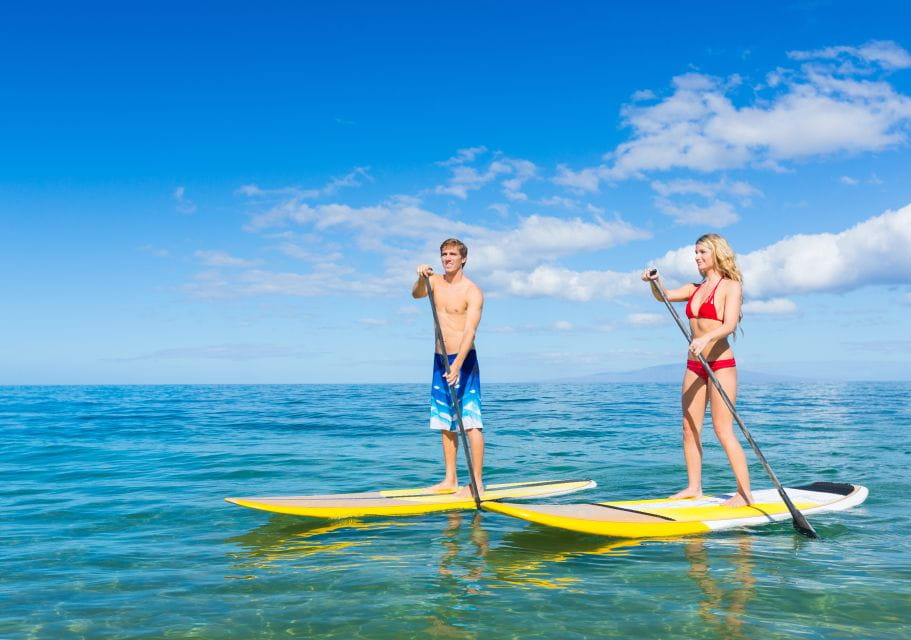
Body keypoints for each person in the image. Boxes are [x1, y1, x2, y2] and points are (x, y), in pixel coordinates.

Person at [643, 233, 753, 507]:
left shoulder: (731, 286)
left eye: (702, 252)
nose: (697, 257)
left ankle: (744, 493)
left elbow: (728, 325)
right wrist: (655, 282)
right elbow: (664, 297)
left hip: (720, 364)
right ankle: (694, 487)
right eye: (695, 253)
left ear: (717, 253)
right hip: (694, 365)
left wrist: (706, 338)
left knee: (722, 429)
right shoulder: (694, 289)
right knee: (688, 427)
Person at [412, 238, 485, 497]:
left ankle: (476, 482)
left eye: (452, 254)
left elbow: (470, 331)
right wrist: (421, 277)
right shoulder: (434, 282)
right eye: (444, 254)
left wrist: (457, 363)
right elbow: (416, 294)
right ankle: (450, 480)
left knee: (470, 422)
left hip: (464, 360)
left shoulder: (472, 291)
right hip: (439, 359)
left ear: (463, 258)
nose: (447, 259)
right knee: (445, 421)